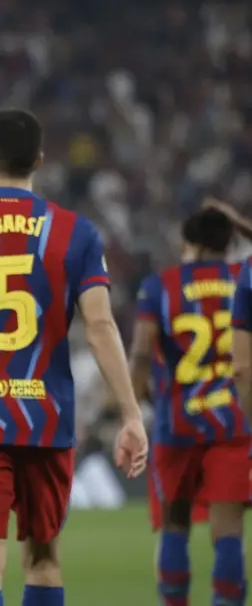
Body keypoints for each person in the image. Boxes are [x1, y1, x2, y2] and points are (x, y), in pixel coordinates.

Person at [0, 108, 148, 606]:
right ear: (38, 160)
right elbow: (101, 327)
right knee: (43, 562)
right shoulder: (77, 233)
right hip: (46, 421)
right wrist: (130, 413)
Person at [130, 206, 250, 606]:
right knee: (229, 532)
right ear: (230, 241)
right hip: (234, 423)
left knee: (174, 526)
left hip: (177, 423)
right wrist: (238, 222)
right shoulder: (243, 278)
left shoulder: (160, 286)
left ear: (191, 246)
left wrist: (134, 409)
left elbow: (143, 353)